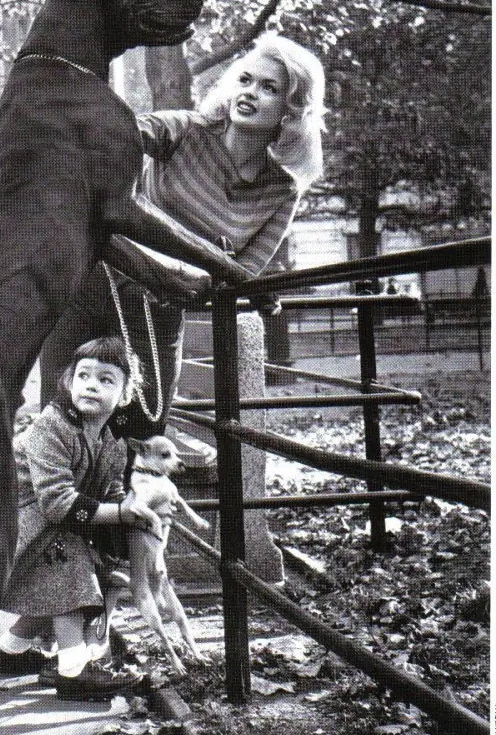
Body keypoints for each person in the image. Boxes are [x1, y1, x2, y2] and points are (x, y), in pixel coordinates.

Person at [40, 32, 327, 438]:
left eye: (269, 88)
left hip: (158, 305)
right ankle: (65, 501)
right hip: (92, 283)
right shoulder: (185, 129)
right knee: (61, 416)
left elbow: (238, 273)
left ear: (291, 109)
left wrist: (202, 268)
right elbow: (112, 141)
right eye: (245, 80)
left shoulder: (282, 191)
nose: (250, 93)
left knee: (143, 425)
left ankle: (121, 501)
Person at [0, 337, 162, 701]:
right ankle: (74, 670)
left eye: (106, 379)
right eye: (83, 375)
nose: (91, 385)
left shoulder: (112, 441)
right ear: (68, 383)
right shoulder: (52, 427)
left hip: (29, 528)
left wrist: (130, 507)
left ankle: (11, 649)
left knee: (63, 565)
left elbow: (109, 492)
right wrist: (119, 513)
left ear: (126, 394)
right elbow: (56, 502)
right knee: (64, 558)